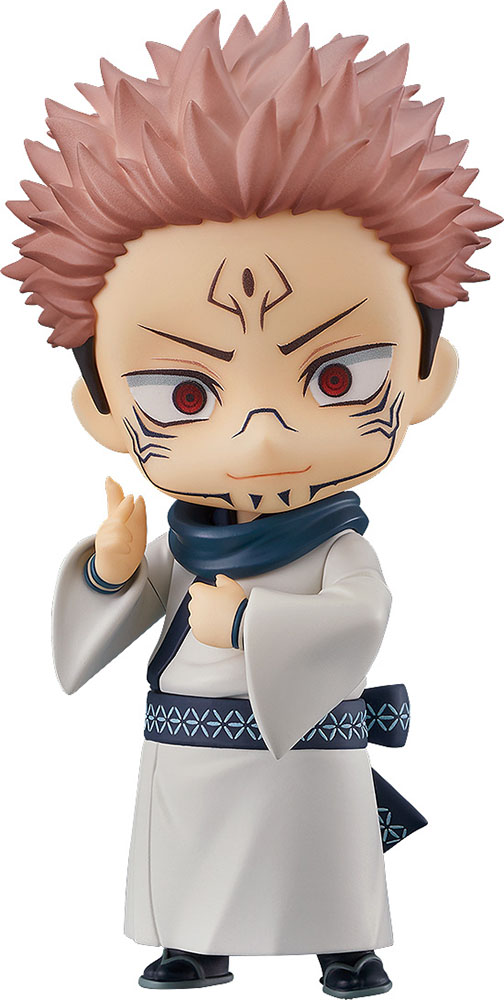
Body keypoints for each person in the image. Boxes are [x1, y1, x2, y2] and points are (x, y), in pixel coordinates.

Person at [3, 4, 500, 996]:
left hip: (307, 749)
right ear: (101, 410)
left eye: (335, 378)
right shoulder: (189, 541)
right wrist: (111, 568)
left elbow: (360, 615)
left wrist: (251, 622)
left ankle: (344, 947)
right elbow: (102, 630)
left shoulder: (338, 546)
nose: (261, 436)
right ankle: (193, 942)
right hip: (188, 749)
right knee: (195, 852)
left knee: (322, 851)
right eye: (187, 396)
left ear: (427, 377)